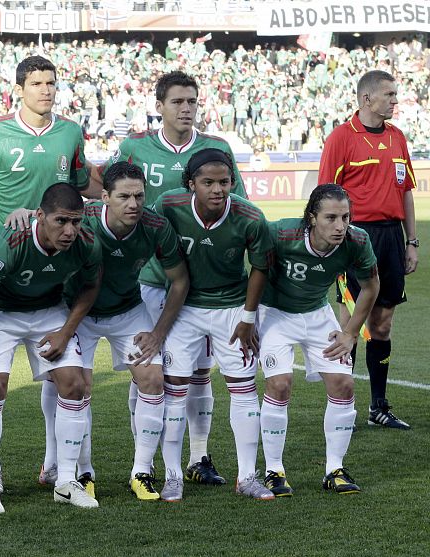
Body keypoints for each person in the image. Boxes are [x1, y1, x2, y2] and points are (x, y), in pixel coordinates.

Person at [101, 71, 247, 485]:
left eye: (192, 102)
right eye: (178, 102)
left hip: (202, 285)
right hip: (149, 279)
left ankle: (199, 459)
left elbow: (237, 206)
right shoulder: (134, 147)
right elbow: (112, 198)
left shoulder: (216, 148)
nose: (186, 109)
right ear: (159, 105)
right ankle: (143, 460)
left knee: (200, 372)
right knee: (149, 367)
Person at [46, 161, 190, 502]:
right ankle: (83, 473)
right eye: (124, 196)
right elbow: (47, 223)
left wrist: (157, 332)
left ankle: (141, 471)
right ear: (105, 197)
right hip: (77, 312)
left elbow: (180, 280)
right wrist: (21, 214)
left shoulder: (155, 225)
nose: (134, 204)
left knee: (154, 379)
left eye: (139, 196)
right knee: (76, 386)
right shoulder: (82, 222)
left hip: (127, 311)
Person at [0, 183, 102, 515]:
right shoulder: (8, 243)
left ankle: (66, 481)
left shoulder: (85, 242)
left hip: (49, 312)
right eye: (61, 221)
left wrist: (66, 333)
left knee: (75, 384)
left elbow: (91, 285)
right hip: (1, 313)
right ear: (40, 216)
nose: (69, 231)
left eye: (76, 222)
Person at [153, 148, 274, 502]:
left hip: (231, 309)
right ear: (191, 184)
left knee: (243, 389)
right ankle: (173, 475)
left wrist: (249, 318)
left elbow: (261, 268)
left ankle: (248, 476)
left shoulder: (249, 217)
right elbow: (135, 222)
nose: (218, 189)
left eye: (224, 181)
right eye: (208, 182)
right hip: (184, 308)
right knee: (175, 390)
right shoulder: (168, 205)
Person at [259, 184, 379, 497]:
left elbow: (370, 286)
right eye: (330, 218)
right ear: (312, 218)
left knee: (344, 384)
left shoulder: (356, 240)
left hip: (317, 314)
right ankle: (273, 470)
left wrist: (351, 331)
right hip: (275, 314)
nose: (340, 226)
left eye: (345, 217)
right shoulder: (282, 234)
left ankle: (334, 469)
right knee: (280, 384)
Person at [318, 70, 418, 429]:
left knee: (383, 322)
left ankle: (379, 406)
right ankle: (341, 403)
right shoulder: (341, 139)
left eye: (395, 94)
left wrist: (412, 241)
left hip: (392, 238)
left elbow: (406, 191)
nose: (395, 100)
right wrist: (334, 242)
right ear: (366, 99)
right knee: (351, 319)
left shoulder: (397, 138)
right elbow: (325, 197)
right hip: (355, 238)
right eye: (389, 94)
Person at [0, 55, 92, 236]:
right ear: (19, 90)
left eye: (50, 83)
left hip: (57, 243)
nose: (46, 91)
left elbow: (81, 182)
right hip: (8, 245)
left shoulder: (71, 131)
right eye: (36, 84)